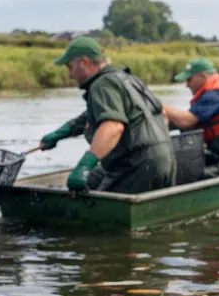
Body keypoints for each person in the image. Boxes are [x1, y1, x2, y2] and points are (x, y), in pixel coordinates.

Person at [38, 37, 176, 194]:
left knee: (93, 209)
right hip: (165, 161)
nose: (70, 74)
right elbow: (94, 115)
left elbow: (113, 126)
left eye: (70, 67)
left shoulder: (102, 84)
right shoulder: (127, 79)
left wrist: (84, 166)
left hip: (137, 166)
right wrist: (60, 133)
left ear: (84, 61)